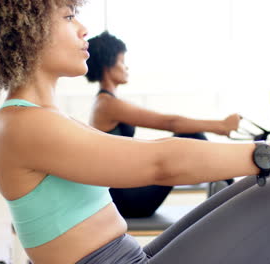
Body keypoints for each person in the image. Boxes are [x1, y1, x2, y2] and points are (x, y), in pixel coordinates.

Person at [0, 1, 270, 264]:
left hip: (130, 256)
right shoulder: (23, 124)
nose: (83, 29)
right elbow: (160, 160)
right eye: (68, 15)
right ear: (25, 29)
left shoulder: (39, 117)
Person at [85, 31, 240, 218]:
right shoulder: (107, 104)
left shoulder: (107, 102)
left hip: (124, 194)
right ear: (107, 66)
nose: (126, 68)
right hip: (127, 200)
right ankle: (237, 197)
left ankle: (231, 194)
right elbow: (171, 123)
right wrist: (221, 125)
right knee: (190, 137)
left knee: (188, 140)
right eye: (122, 62)